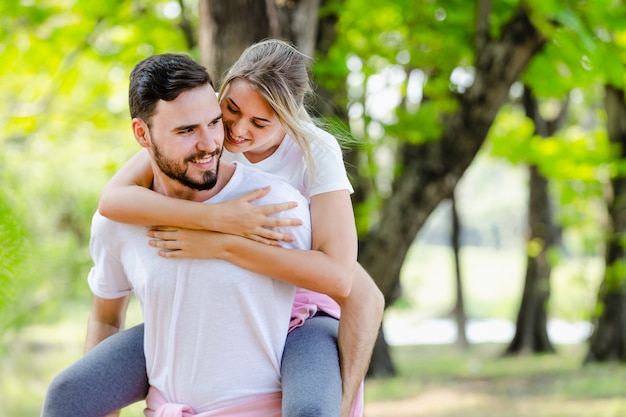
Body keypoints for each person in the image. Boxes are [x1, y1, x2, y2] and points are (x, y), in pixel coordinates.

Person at [44, 39, 384, 417]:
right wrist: (218, 220)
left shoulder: (310, 154)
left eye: (259, 122)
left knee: (313, 408)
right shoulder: (190, 139)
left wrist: (222, 244)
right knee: (70, 392)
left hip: (299, 310)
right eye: (230, 112)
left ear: (286, 120)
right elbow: (113, 202)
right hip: (210, 309)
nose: (234, 132)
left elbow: (343, 279)